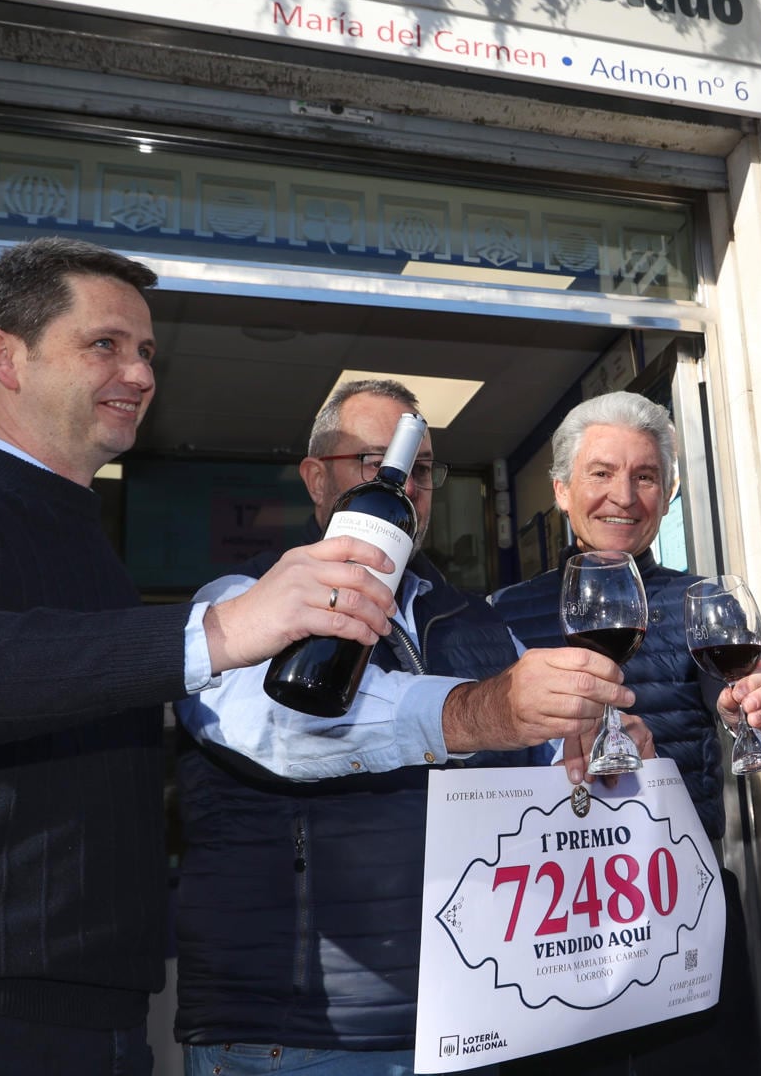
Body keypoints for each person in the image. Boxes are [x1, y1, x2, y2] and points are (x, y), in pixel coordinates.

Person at [0, 238, 402, 1076]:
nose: (139, 374)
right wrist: (212, 633)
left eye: (145, 353)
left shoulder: (96, 558)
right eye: (105, 344)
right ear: (5, 356)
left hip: (94, 1023)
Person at [173, 378, 646, 1074]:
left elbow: (551, 781)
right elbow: (277, 730)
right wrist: (476, 714)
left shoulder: (481, 623)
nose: (402, 484)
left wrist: (601, 756)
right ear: (315, 478)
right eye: (373, 462)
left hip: (474, 1020)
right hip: (300, 1040)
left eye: (420, 470)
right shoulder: (238, 604)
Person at [488, 390, 761, 1076]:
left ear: (667, 494)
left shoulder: (703, 603)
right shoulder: (499, 617)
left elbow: (737, 692)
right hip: (547, 929)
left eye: (645, 476)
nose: (623, 496)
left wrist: (760, 699)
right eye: (601, 474)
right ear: (563, 490)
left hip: (677, 914)